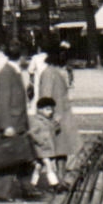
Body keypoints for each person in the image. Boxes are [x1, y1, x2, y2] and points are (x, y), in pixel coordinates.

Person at [0, 44, 35, 201]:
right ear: (22, 57)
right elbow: (2, 102)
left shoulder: (13, 72)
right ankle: (0, 192)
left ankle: (26, 188)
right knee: (6, 159)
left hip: (18, 122)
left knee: (24, 157)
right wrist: (6, 125)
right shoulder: (6, 74)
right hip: (10, 123)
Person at [32, 48, 76, 190]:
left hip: (59, 116)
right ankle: (55, 181)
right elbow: (45, 97)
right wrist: (49, 116)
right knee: (54, 153)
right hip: (55, 118)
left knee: (61, 151)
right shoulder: (49, 73)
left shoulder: (55, 72)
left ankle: (60, 180)